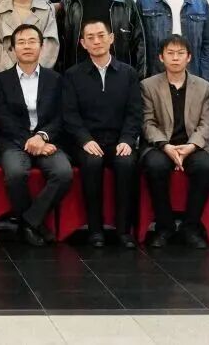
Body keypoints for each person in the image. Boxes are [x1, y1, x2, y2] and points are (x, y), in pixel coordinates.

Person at [0, 23, 72, 247]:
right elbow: (3, 118)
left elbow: (61, 115)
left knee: (63, 173)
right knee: (15, 173)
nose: (27, 46)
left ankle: (28, 222)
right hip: (14, 141)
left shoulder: (56, 80)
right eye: (21, 42)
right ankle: (36, 225)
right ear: (12, 48)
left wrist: (42, 137)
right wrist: (30, 140)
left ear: (42, 46)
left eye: (32, 41)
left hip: (47, 139)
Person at [62, 19, 142, 248]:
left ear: (111, 38)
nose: (96, 41)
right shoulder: (73, 75)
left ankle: (123, 231)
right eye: (90, 38)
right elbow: (70, 114)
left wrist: (127, 140)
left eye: (101, 36)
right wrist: (85, 140)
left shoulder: (128, 73)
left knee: (127, 163)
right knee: (92, 163)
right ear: (83, 43)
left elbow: (134, 112)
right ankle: (95, 230)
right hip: (88, 141)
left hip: (119, 140)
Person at [140, 35, 209, 249]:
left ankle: (191, 227)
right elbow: (147, 123)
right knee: (155, 166)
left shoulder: (204, 87)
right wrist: (166, 146)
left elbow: (207, 123)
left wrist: (191, 146)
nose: (175, 58)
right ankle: (164, 227)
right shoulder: (148, 86)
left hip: (193, 144)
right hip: (161, 145)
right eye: (170, 53)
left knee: (205, 166)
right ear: (161, 57)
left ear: (189, 57)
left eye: (180, 53)